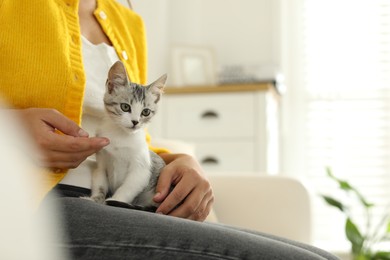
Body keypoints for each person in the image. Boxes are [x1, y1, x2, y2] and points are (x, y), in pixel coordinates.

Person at [0, 0, 338, 259]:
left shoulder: (127, 22)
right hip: (37, 205)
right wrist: (9, 133)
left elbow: (134, 137)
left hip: (125, 205)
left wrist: (181, 161)